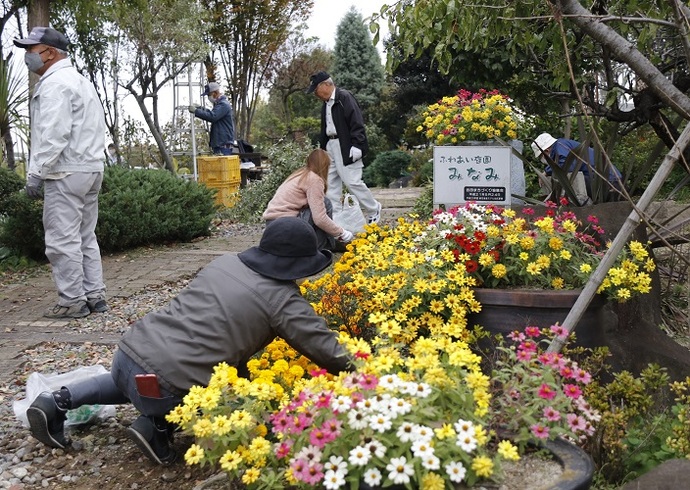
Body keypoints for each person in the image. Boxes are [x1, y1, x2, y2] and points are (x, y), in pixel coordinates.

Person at [24, 217, 353, 465]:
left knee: (130, 379)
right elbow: (327, 350)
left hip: (129, 352)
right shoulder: (284, 301)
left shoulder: (225, 263)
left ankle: (57, 400)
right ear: (299, 265)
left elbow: (223, 333)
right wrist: (364, 372)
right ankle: (155, 426)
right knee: (185, 392)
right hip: (163, 386)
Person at [14, 27, 108, 319]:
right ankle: (95, 296)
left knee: (61, 239)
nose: (28, 56)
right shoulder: (80, 81)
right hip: (90, 168)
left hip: (65, 171)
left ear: (50, 53)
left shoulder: (55, 84)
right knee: (84, 236)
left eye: (32, 50)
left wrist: (36, 173)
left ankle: (72, 301)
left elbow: (53, 135)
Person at [307, 71, 382, 224]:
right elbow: (325, 128)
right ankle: (336, 218)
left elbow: (357, 122)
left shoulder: (344, 97)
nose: (315, 93)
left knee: (352, 181)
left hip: (346, 145)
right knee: (331, 183)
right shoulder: (326, 103)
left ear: (326, 85)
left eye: (316, 89)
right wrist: (323, 148)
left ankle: (374, 208)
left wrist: (358, 145)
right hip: (331, 146)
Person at [263, 149, 353, 250]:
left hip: (272, 227)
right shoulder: (314, 180)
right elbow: (320, 219)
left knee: (319, 205)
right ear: (325, 165)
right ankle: (323, 246)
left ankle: (326, 243)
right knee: (325, 203)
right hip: (287, 227)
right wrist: (341, 232)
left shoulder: (300, 174)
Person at [531, 132, 624, 202]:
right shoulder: (564, 145)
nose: (543, 160)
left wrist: (546, 172)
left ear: (546, 151)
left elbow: (568, 166)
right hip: (610, 182)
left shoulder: (560, 146)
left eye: (541, 156)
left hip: (609, 183)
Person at [188, 82, 236, 155]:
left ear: (215, 93)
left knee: (222, 166)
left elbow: (212, 116)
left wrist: (196, 111)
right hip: (220, 144)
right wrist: (200, 108)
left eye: (209, 95)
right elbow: (213, 113)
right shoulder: (220, 104)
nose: (208, 97)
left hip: (223, 145)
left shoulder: (223, 105)